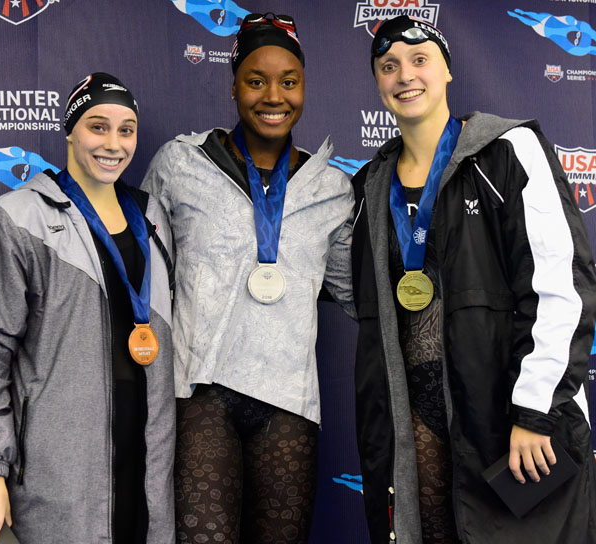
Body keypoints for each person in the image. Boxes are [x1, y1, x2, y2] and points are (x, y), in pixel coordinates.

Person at [349, 16, 596, 544]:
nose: (405, 75)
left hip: (509, 417)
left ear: (447, 70)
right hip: (416, 423)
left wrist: (534, 410)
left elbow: (561, 284)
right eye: (389, 66)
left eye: (420, 60)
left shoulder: (509, 149)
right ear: (377, 82)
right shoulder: (369, 184)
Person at [141, 13, 354, 544]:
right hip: (199, 395)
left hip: (290, 402)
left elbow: (357, 292)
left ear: (304, 87)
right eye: (256, 80)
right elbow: (142, 277)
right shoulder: (179, 165)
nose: (273, 96)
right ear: (233, 86)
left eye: (289, 81)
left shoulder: (332, 189)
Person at [0, 72, 175, 544]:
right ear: (70, 131)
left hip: (146, 466)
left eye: (126, 130)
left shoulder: (153, 218)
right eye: (98, 126)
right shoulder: (19, 217)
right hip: (59, 474)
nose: (113, 144)